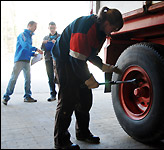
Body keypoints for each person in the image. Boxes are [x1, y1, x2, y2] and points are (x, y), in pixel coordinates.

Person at [51, 6, 124, 149]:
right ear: (107, 23)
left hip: (76, 60)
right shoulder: (85, 27)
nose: (112, 32)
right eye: (113, 28)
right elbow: (76, 59)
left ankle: (83, 133)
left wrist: (103, 66)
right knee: (68, 100)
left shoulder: (102, 33)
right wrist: (88, 78)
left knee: (85, 99)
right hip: (64, 61)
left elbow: (89, 54)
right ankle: (61, 141)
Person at [2, 21, 43, 105]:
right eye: (34, 26)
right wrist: (35, 49)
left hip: (27, 61)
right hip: (19, 60)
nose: (35, 28)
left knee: (28, 79)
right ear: (29, 25)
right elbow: (25, 46)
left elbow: (26, 50)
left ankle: (27, 96)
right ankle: (6, 97)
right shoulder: (23, 35)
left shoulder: (30, 36)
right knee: (14, 78)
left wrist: (33, 54)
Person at [41, 22, 60, 102]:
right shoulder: (46, 37)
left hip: (58, 59)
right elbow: (42, 49)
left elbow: (63, 46)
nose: (52, 29)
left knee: (59, 76)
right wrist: (44, 43)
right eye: (51, 28)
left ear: (56, 28)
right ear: (48, 28)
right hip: (48, 59)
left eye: (53, 28)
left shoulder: (59, 36)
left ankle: (61, 94)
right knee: (50, 77)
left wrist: (56, 43)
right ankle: (53, 94)